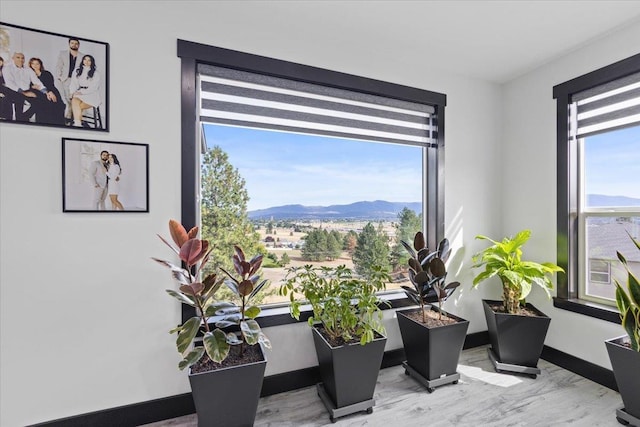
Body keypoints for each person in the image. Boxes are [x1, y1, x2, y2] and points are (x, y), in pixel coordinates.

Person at [2, 52, 52, 121]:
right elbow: (10, 83)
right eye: (18, 57)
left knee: (41, 99)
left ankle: (24, 117)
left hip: (26, 91)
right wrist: (23, 92)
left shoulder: (28, 69)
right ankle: (19, 119)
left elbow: (36, 81)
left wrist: (46, 92)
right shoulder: (7, 68)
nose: (20, 60)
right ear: (13, 58)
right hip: (13, 91)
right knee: (18, 99)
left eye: (22, 58)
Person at [28, 58, 65, 125]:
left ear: (40, 65)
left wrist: (49, 92)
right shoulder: (29, 74)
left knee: (55, 101)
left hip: (51, 90)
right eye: (33, 64)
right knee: (42, 100)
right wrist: (32, 87)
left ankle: (56, 122)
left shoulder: (46, 73)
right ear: (30, 65)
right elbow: (26, 85)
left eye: (37, 64)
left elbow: (50, 84)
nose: (35, 65)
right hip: (37, 93)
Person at [68, 54, 101, 127]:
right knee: (74, 99)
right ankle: (78, 124)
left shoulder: (96, 73)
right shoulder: (77, 70)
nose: (86, 61)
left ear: (92, 62)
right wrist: (72, 92)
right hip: (80, 92)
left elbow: (94, 87)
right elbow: (73, 83)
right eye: (85, 59)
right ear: (82, 61)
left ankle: (77, 123)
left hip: (92, 94)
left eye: (89, 60)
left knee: (76, 106)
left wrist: (81, 92)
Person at [55, 38, 83, 122]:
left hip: (77, 80)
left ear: (78, 45)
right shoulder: (62, 53)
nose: (74, 45)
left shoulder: (82, 56)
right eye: (72, 43)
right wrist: (59, 76)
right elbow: (58, 65)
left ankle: (70, 116)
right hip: (66, 79)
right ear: (69, 44)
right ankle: (71, 115)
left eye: (76, 43)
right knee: (67, 97)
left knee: (74, 97)